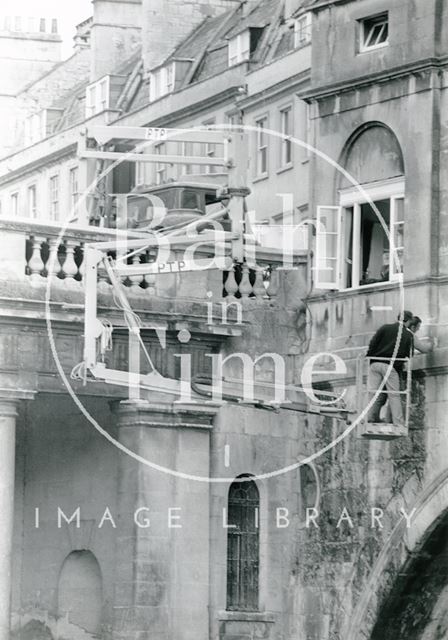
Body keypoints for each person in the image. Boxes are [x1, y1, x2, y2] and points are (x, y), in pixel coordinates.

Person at [366, 311, 414, 427]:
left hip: (374, 364)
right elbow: (409, 354)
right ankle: (398, 422)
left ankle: (370, 418)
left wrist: (370, 357)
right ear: (408, 321)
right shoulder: (408, 335)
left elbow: (372, 343)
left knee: (374, 393)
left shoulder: (385, 328)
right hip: (389, 367)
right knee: (394, 395)